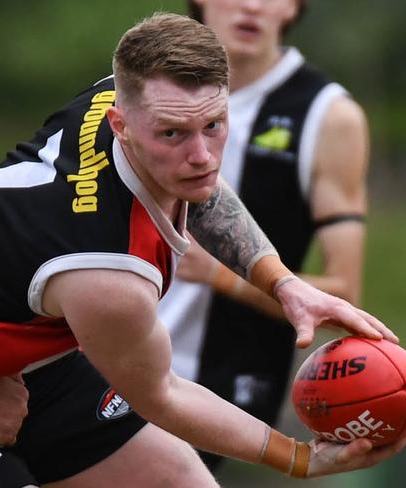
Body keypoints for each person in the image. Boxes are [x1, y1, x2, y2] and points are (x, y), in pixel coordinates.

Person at [0, 12, 406, 488]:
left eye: (215, 125)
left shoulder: (127, 93)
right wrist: (299, 458)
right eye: (173, 135)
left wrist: (282, 283)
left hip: (36, 366)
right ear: (121, 124)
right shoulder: (107, 273)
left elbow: (200, 186)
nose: (202, 154)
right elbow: (161, 395)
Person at [158, 0, 370, 471]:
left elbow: (344, 292)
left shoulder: (327, 116)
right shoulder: (146, 89)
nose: (252, 5)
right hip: (103, 362)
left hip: (217, 388)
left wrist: (223, 274)